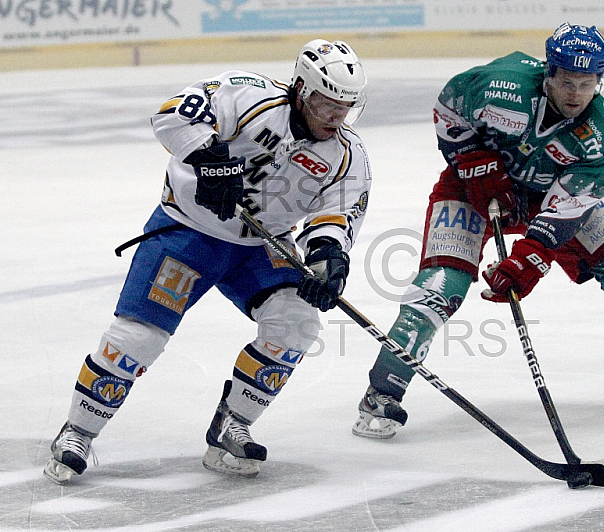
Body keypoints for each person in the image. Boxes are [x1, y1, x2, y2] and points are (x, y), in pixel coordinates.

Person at [352, 23, 604, 440]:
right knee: (439, 287)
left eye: (587, 83)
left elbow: (565, 210)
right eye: (566, 82)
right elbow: (449, 106)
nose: (575, 94)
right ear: (548, 73)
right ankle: (381, 393)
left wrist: (528, 259)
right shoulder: (500, 85)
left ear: (600, 80)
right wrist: (471, 158)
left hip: (550, 200)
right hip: (471, 191)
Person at [44, 39, 372, 483]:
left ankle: (231, 425)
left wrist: (329, 258)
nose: (335, 116)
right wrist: (208, 156)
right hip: (188, 233)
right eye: (325, 102)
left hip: (262, 246)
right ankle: (78, 430)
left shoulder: (346, 155)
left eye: (346, 106)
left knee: (296, 324)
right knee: (139, 336)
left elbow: (336, 211)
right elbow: (174, 112)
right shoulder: (247, 94)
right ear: (300, 89)